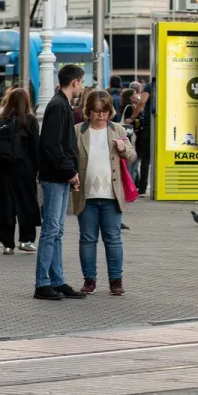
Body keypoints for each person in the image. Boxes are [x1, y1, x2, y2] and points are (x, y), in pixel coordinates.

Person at [73, 90, 136, 296]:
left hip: (111, 195)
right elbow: (70, 157)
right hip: (86, 195)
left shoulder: (117, 130)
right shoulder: (78, 131)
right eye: (96, 111)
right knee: (87, 239)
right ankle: (89, 280)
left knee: (113, 238)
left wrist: (123, 149)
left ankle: (116, 281)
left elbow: (132, 155)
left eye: (105, 111)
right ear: (88, 111)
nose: (101, 116)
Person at [35, 65, 87, 301]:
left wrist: (70, 171)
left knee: (57, 231)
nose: (83, 86)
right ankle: (42, 282)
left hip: (60, 175)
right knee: (51, 230)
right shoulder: (58, 106)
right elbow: (52, 145)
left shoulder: (61, 104)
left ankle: (57, 280)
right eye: (82, 81)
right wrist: (69, 170)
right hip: (55, 176)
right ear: (74, 82)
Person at [0, 87, 41, 255]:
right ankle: (26, 240)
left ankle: (7, 243)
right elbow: (35, 148)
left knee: (6, 206)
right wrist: (38, 169)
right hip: (24, 169)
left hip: (3, 170)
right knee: (25, 204)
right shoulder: (30, 121)